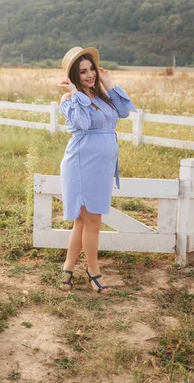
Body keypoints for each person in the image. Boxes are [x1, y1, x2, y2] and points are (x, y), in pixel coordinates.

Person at [57, 46, 137, 294]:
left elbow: (123, 112)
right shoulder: (70, 100)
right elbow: (83, 122)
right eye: (83, 71)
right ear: (73, 75)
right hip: (81, 165)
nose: (90, 74)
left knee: (83, 222)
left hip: (100, 168)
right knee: (92, 221)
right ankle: (93, 271)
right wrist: (74, 92)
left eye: (91, 68)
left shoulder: (101, 95)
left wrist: (108, 83)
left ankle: (68, 268)